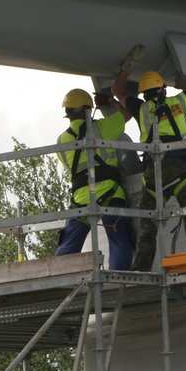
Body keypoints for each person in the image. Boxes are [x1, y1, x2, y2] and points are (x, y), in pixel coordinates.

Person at [112, 45, 186, 271]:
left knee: (148, 223)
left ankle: (142, 269)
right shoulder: (181, 101)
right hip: (183, 169)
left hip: (155, 172)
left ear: (144, 93)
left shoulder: (141, 108)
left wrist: (129, 64)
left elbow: (118, 89)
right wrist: (185, 80)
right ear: (164, 90)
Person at [54, 88, 137, 270]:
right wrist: (109, 102)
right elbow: (126, 114)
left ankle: (58, 277)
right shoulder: (102, 128)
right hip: (111, 193)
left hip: (81, 198)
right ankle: (119, 280)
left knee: (68, 245)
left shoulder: (62, 140)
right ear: (87, 110)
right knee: (118, 240)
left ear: (67, 113)